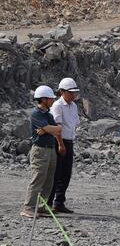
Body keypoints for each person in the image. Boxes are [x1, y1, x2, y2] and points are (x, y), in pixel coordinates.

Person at [20, 86, 65, 218]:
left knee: (49, 179)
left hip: (50, 150)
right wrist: (48, 128)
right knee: (38, 178)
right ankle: (28, 207)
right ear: (43, 99)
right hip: (40, 150)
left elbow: (58, 130)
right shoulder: (35, 114)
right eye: (50, 98)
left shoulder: (48, 115)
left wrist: (46, 129)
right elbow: (52, 129)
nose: (52, 100)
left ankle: (41, 206)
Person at [48, 78, 81, 213]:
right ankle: (48, 203)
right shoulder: (57, 106)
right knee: (56, 173)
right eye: (70, 92)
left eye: (74, 93)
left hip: (69, 141)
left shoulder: (73, 106)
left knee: (66, 174)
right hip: (58, 141)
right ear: (62, 92)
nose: (73, 95)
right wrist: (61, 144)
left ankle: (59, 202)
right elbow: (57, 127)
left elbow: (74, 123)